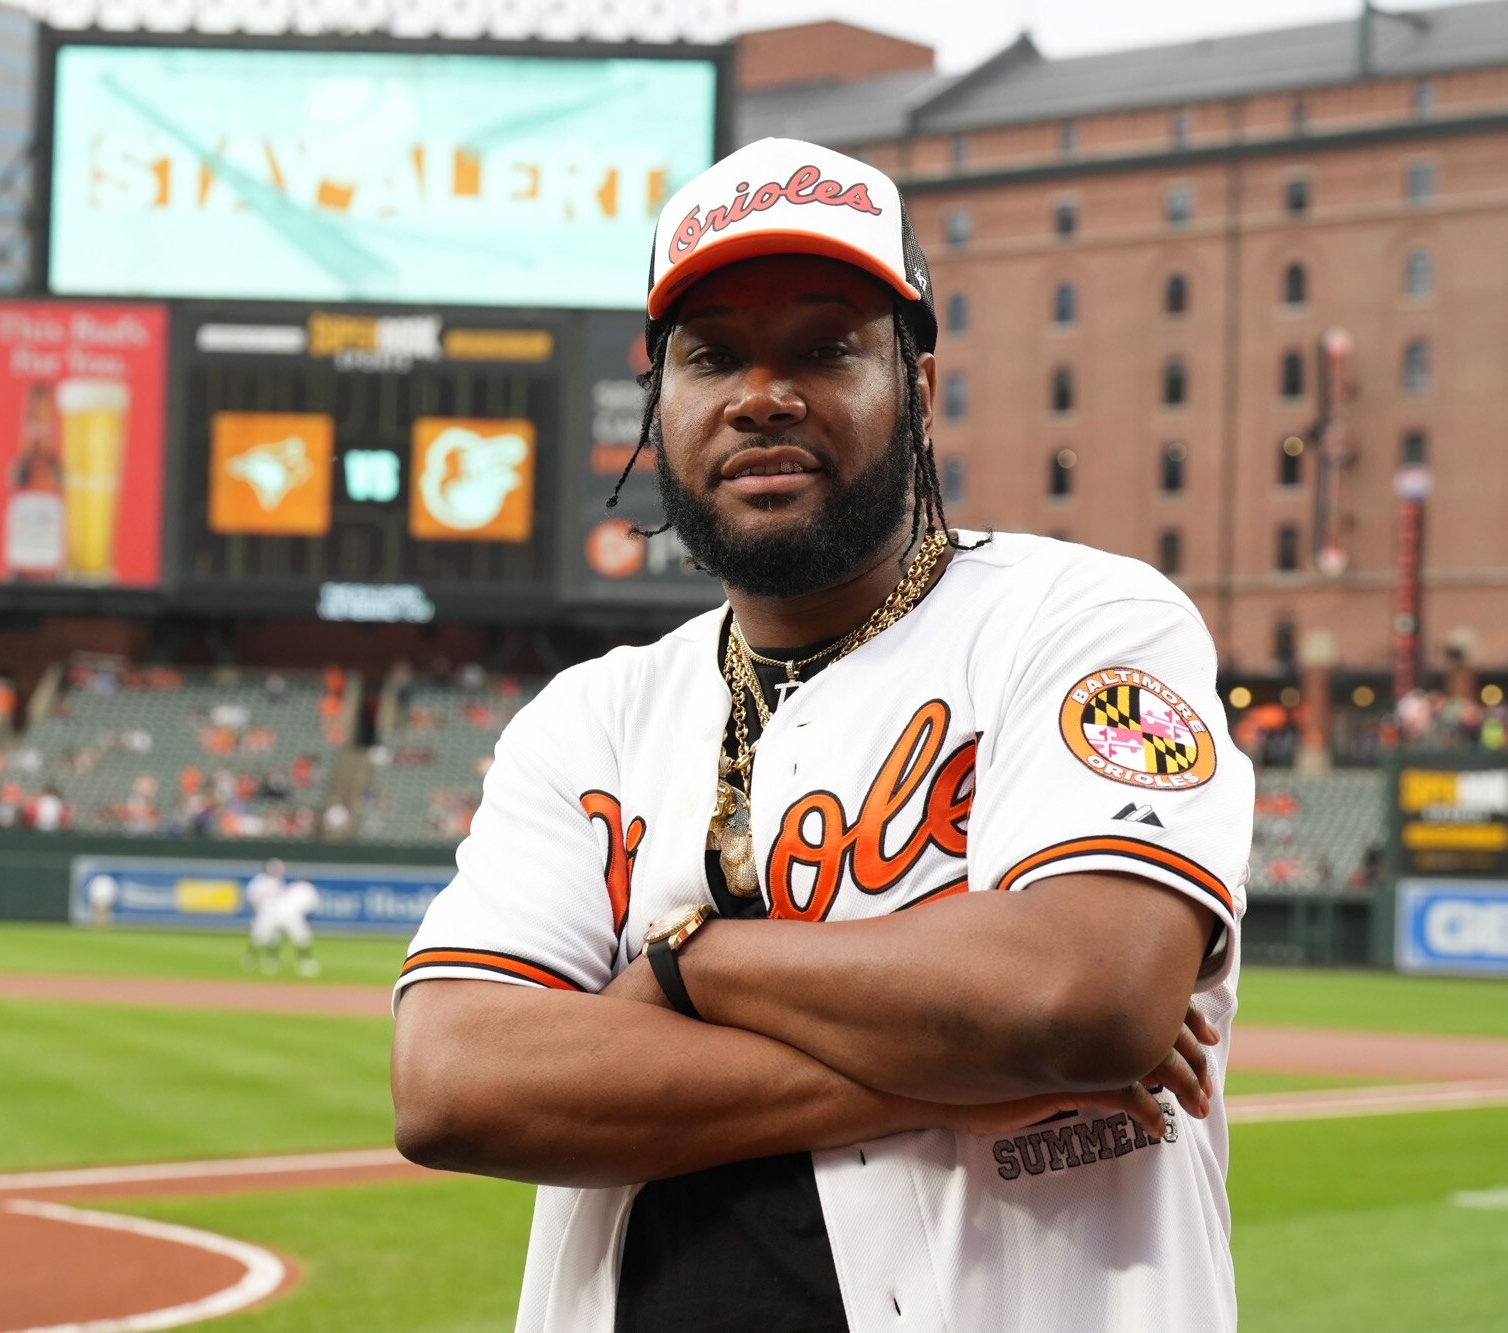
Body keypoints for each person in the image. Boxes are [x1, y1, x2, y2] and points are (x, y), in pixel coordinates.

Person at [391, 139, 1253, 1333]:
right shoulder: (591, 718)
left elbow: (1082, 998)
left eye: (824, 346)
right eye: (710, 356)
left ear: (920, 384)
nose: (760, 394)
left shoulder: (1081, 620)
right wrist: (962, 1066)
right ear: (662, 403)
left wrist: (688, 965)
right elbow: (451, 1084)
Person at [243, 859, 321, 976]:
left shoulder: (282, 883)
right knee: (262, 937)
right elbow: (251, 899)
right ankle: (254, 960)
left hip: (278, 914)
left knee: (275, 939)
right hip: (271, 914)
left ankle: (271, 962)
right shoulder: (260, 881)